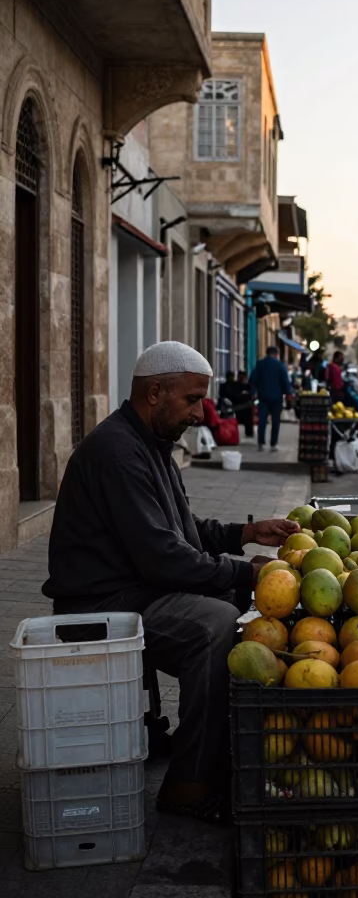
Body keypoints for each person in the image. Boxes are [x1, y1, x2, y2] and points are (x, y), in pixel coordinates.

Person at [43, 341, 300, 824]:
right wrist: (246, 573)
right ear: (155, 392)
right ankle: (188, 784)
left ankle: (199, 745)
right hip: (101, 605)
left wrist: (243, 535)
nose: (201, 414)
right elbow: (163, 557)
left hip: (134, 588)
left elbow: (182, 531)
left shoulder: (151, 445)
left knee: (223, 596)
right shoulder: (118, 452)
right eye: (191, 400)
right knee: (214, 624)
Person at [249, 345, 294, 451]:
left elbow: (253, 379)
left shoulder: (260, 364)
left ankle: (261, 442)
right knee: (275, 421)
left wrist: (253, 392)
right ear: (276, 354)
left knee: (262, 420)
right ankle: (273, 443)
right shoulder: (280, 365)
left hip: (263, 396)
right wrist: (288, 393)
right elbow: (285, 381)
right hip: (276, 398)